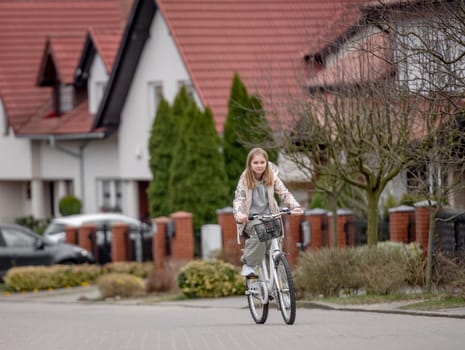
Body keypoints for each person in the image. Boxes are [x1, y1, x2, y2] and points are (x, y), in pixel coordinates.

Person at [233, 147, 303, 277]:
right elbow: (239, 199)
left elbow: (284, 193)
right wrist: (239, 214)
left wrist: (295, 206)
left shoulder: (272, 177)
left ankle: (277, 283)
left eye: (262, 162)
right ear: (250, 164)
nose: (259, 165)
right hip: (252, 218)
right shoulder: (244, 180)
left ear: (266, 163)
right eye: (256, 163)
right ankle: (249, 264)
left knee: (274, 245)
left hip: (270, 216)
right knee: (259, 233)